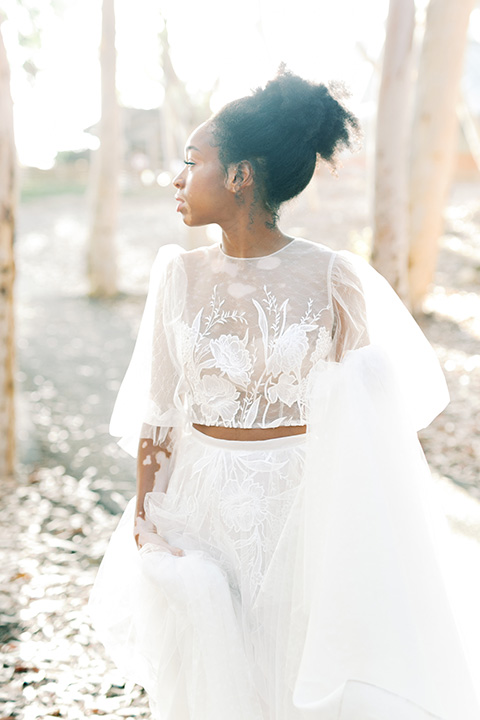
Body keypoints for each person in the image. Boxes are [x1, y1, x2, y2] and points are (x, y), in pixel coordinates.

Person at [89, 68, 480, 720]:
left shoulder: (335, 280)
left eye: (193, 162)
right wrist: (146, 518)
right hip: (199, 501)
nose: (177, 178)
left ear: (240, 175)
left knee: (293, 669)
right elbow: (159, 410)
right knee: (213, 676)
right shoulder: (177, 276)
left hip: (302, 503)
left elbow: (367, 419)